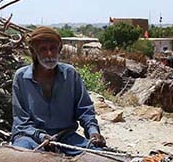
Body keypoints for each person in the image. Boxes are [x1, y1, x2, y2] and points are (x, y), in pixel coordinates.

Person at [11, 26, 106, 155]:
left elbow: (85, 110)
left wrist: (93, 132)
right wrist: (41, 136)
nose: (49, 54)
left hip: (66, 138)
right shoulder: (21, 77)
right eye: (43, 49)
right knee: (19, 158)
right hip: (31, 138)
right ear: (34, 52)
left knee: (99, 158)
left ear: (59, 49)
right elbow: (21, 121)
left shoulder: (70, 74)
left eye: (53, 49)